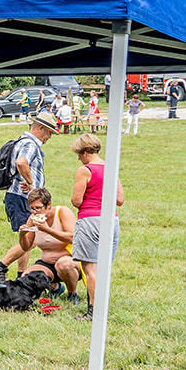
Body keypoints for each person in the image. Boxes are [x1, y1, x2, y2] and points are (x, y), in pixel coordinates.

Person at [69, 132, 124, 317]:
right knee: (104, 268)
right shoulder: (111, 167)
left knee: (91, 269)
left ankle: (95, 310)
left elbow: (76, 200)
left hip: (90, 220)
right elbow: (120, 199)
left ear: (85, 151)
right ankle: (101, 306)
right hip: (111, 220)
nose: (78, 158)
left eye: (79, 154)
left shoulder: (86, 170)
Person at [0, 187, 79, 297]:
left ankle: (72, 294)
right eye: (31, 208)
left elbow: (73, 237)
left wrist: (47, 230)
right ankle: (55, 288)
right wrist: (22, 235)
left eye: (38, 208)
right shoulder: (33, 218)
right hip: (47, 263)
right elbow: (26, 247)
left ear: (48, 205)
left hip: (69, 261)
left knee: (64, 265)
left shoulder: (62, 212)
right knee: (26, 278)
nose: (34, 212)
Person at [3, 110, 58, 275]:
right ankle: (1, 268)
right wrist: (30, 183)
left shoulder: (24, 141)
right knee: (30, 239)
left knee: (29, 238)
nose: (49, 137)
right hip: (22, 197)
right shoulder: (30, 144)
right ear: (41, 128)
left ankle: (21, 274)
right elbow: (22, 161)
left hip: (22, 197)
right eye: (49, 133)